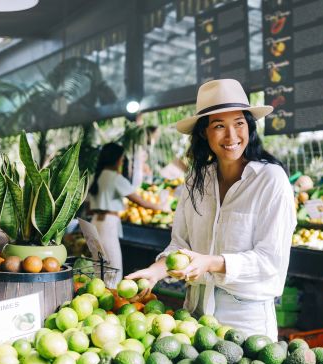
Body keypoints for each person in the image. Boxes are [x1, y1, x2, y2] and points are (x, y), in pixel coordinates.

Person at [126, 79, 297, 340]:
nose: (231, 136)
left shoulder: (270, 180)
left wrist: (211, 263)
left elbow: (269, 260)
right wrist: (155, 272)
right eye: (219, 126)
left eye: (239, 123)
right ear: (204, 133)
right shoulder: (196, 181)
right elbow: (179, 244)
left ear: (249, 127)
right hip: (193, 317)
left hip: (245, 323)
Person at [88, 142, 166, 287]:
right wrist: (161, 207)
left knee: (98, 266)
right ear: (117, 159)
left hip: (94, 222)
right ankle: (111, 301)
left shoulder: (95, 176)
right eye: (122, 159)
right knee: (113, 267)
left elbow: (87, 205)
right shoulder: (114, 178)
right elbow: (140, 201)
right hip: (108, 224)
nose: (122, 162)